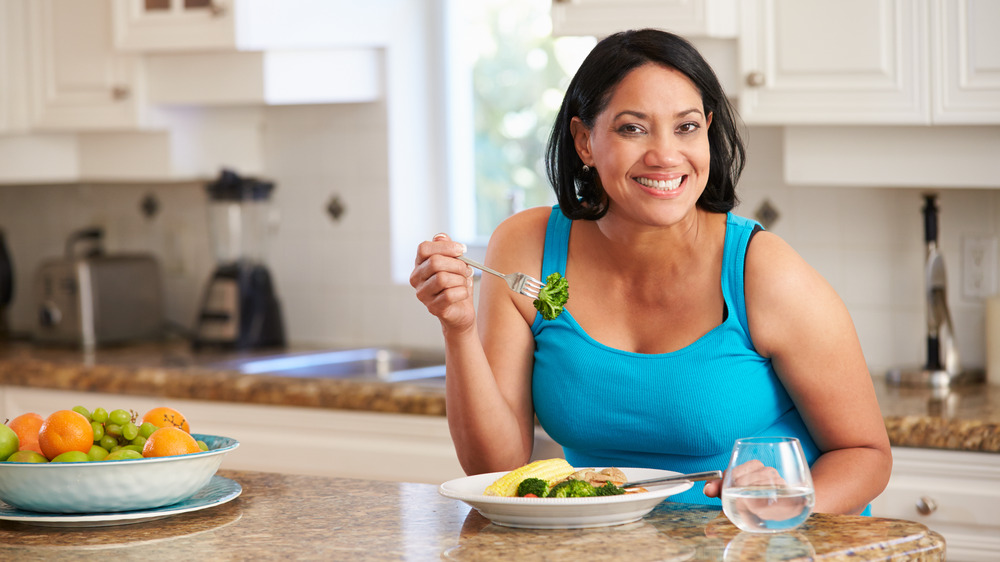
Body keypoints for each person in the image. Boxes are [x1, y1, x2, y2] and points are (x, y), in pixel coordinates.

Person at [410, 29, 891, 514]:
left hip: (759, 544)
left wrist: (783, 506)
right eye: (632, 128)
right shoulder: (526, 248)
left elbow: (866, 455)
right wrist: (459, 328)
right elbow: (495, 465)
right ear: (584, 141)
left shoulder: (760, 271)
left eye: (686, 127)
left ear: (707, 130)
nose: (664, 155)